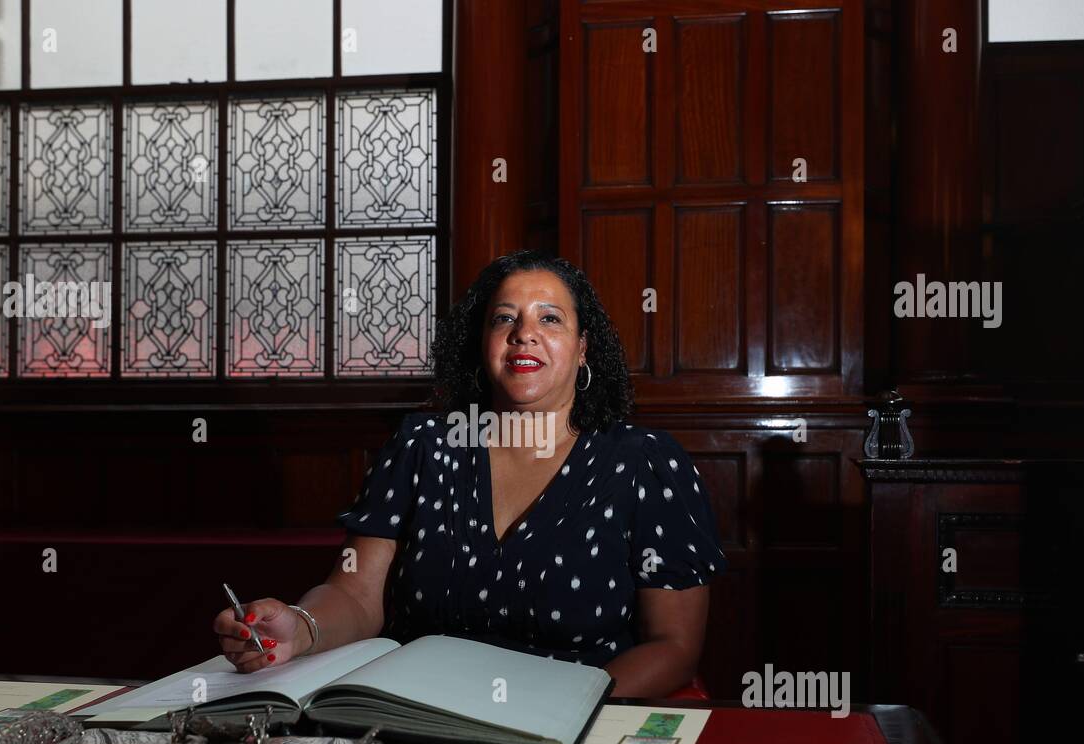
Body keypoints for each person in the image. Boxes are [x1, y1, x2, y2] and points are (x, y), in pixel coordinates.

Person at [213, 251, 727, 697]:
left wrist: (572, 707)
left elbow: (674, 646)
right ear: (483, 344)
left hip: (578, 716)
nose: (524, 333)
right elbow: (354, 594)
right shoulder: (422, 445)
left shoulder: (645, 462)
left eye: (550, 320)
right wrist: (301, 628)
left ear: (583, 347)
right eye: (505, 319)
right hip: (418, 709)